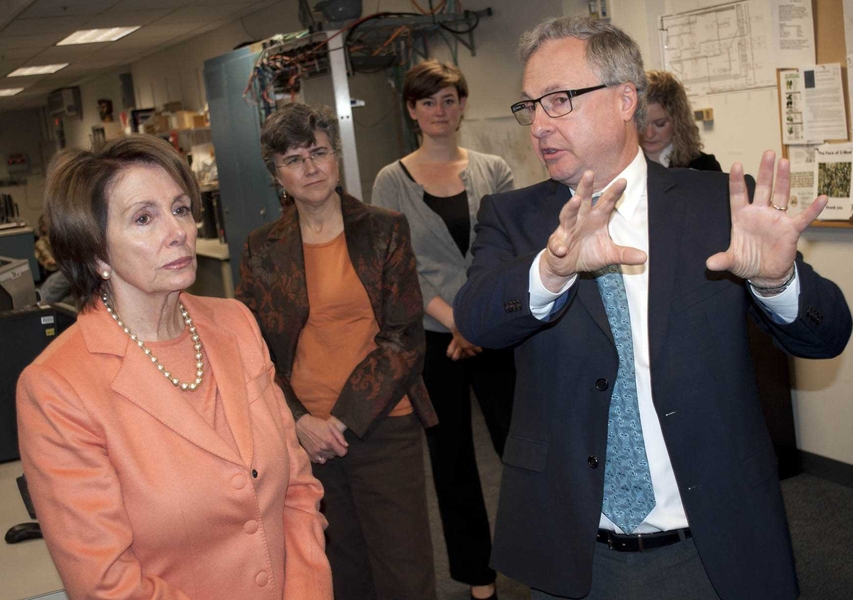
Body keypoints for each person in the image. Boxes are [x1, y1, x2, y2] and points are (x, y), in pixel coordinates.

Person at [453, 16, 851, 600]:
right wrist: (552, 269)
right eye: (530, 106)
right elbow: (476, 318)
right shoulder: (513, 217)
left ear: (623, 98)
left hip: (711, 539)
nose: (538, 123)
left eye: (558, 100)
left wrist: (778, 280)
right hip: (574, 545)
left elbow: (829, 334)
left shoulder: (714, 203)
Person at [16, 135, 332, 600]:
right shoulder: (57, 388)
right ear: (96, 252)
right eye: (144, 218)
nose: (177, 230)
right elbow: (106, 582)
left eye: (180, 209)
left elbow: (297, 491)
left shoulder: (235, 323)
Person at [236, 102, 438, 600]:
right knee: (338, 570)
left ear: (336, 158)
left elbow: (404, 337)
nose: (311, 168)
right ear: (276, 174)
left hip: (384, 422)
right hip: (304, 437)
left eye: (319, 152)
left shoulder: (383, 229)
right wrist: (301, 420)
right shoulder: (262, 248)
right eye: (295, 159)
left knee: (404, 570)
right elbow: (251, 349)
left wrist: (341, 421)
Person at [372, 59, 515, 600]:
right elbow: (399, 268)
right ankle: (480, 578)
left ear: (462, 104)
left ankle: (542, 556)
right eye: (428, 101)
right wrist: (456, 323)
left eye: (450, 99)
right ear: (412, 110)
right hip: (435, 343)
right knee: (453, 463)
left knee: (519, 451)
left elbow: (503, 252)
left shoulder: (493, 168)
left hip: (495, 333)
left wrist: (474, 320)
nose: (440, 110)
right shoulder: (391, 180)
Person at [642, 70, 721, 171]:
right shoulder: (621, 166)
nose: (649, 134)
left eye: (660, 124)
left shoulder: (703, 166)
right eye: (642, 123)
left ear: (678, 122)